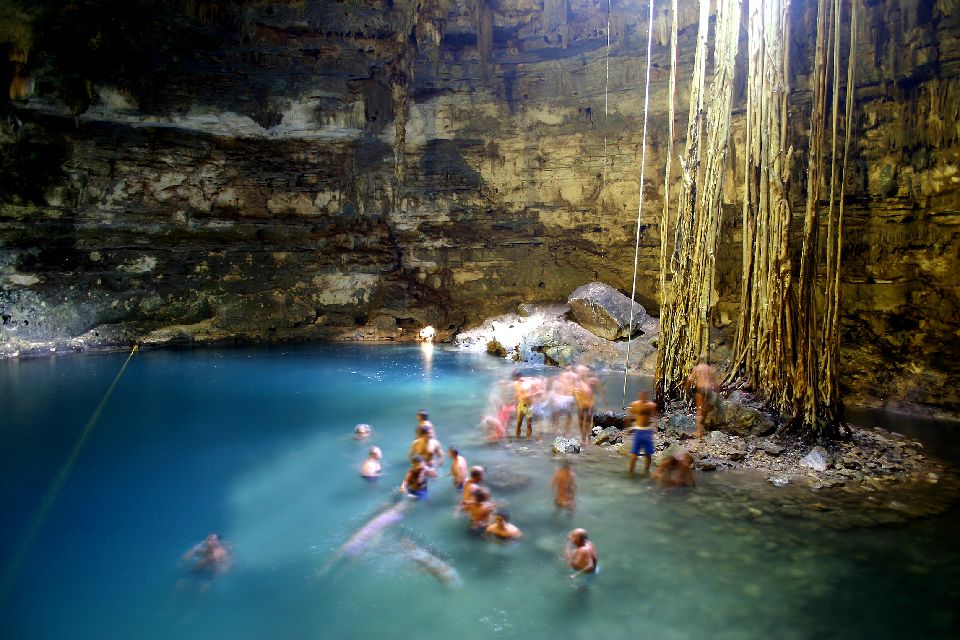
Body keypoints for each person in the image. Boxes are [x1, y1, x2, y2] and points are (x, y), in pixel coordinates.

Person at [627, 390, 657, 476]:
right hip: (638, 430)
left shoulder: (651, 405)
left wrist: (655, 427)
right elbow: (629, 417)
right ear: (639, 396)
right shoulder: (635, 404)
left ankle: (646, 471)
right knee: (634, 454)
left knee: (648, 454)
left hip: (647, 431)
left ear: (647, 396)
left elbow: (655, 417)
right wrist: (628, 428)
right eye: (641, 395)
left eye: (644, 395)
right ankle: (630, 472)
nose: (643, 397)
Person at [686, 356, 716, 440]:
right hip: (709, 389)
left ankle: (698, 432)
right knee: (705, 409)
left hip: (701, 389)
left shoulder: (697, 368)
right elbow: (715, 382)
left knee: (699, 409)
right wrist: (717, 393)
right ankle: (703, 428)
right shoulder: (710, 369)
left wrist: (687, 389)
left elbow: (689, 379)